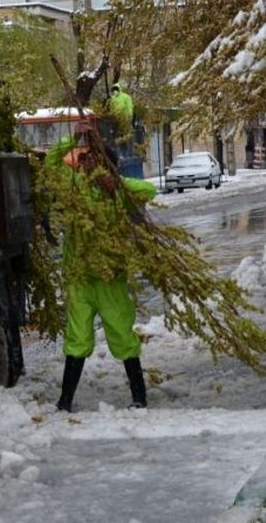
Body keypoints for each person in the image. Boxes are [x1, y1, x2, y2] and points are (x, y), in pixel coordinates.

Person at [46, 132, 157, 412]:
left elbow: (149, 191)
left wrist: (117, 186)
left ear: (108, 166)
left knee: (122, 336)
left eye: (94, 162)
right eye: (85, 162)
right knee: (77, 337)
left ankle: (139, 397)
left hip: (111, 278)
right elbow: (51, 164)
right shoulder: (75, 188)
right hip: (79, 278)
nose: (87, 167)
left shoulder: (118, 191)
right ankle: (65, 401)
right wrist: (72, 138)